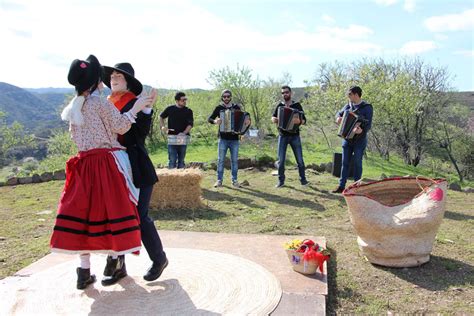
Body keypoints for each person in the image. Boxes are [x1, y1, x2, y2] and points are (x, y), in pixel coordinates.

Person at [50, 55, 154, 289]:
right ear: (97, 81)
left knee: (83, 218)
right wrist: (137, 107)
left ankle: (84, 272)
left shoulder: (74, 105)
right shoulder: (99, 103)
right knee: (114, 212)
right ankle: (115, 261)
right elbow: (121, 126)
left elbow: (77, 137)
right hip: (105, 164)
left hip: (83, 166)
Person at [102, 62, 168, 284]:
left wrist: (146, 109)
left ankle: (159, 259)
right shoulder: (105, 104)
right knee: (115, 216)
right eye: (112, 76)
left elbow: (139, 135)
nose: (114, 78)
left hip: (136, 167)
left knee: (140, 216)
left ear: (128, 81)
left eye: (119, 76)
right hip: (112, 168)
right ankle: (118, 265)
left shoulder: (133, 102)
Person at [332, 86, 373, 193]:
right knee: (344, 162)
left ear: (356, 94)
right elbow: (338, 114)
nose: (348, 96)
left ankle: (357, 187)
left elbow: (368, 124)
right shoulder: (347, 106)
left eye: (349, 94)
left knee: (357, 163)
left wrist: (361, 130)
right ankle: (341, 186)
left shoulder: (367, 107)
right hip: (347, 139)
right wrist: (338, 118)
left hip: (360, 140)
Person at [208, 89, 250, 188]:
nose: (226, 98)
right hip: (223, 138)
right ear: (222, 97)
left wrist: (247, 121)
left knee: (234, 160)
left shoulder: (237, 107)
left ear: (231, 97)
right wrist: (215, 121)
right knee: (221, 160)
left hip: (235, 138)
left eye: (228, 96)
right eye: (224, 96)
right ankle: (219, 180)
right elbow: (210, 119)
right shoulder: (219, 108)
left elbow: (243, 119)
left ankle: (234, 181)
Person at [271, 85, 308, 188]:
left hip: (295, 136)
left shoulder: (297, 105)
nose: (284, 94)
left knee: (299, 159)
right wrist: (273, 119)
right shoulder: (280, 106)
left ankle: (303, 180)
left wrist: (299, 121)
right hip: (282, 135)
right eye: (283, 93)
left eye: (286, 92)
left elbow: (304, 120)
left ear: (291, 93)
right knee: (281, 160)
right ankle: (281, 181)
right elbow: (273, 116)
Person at [159, 92, 194, 168]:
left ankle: (181, 177)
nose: (185, 101)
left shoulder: (188, 111)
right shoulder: (170, 109)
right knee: (172, 159)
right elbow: (161, 117)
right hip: (172, 137)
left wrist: (184, 133)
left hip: (182, 137)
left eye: (185, 99)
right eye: (183, 100)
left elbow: (190, 124)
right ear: (177, 101)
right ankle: (171, 177)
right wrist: (162, 127)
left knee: (181, 160)